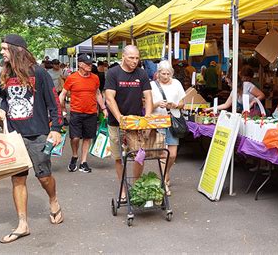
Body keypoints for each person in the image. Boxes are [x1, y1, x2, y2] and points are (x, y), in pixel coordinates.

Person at [0, 34, 64, 244]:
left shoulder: (39, 73)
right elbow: (6, 102)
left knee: (44, 177)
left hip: (38, 135)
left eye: (5, 49)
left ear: (16, 50)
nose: (2, 52)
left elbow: (54, 103)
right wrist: (1, 111)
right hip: (14, 136)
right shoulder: (4, 74)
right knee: (18, 179)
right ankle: (22, 224)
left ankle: (53, 200)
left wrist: (57, 128)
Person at [105, 45, 153, 200]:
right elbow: (109, 98)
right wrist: (120, 118)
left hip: (136, 123)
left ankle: (137, 184)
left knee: (139, 155)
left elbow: (148, 97)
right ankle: (123, 188)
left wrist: (148, 119)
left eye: (137, 58)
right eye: (132, 58)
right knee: (119, 157)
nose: (135, 61)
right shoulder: (113, 73)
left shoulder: (142, 73)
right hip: (116, 123)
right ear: (123, 57)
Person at [60, 53, 107, 173]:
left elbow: (98, 94)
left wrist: (104, 109)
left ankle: (83, 162)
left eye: (91, 64)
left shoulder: (95, 78)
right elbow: (63, 94)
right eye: (87, 64)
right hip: (76, 112)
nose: (90, 66)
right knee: (75, 138)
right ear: (80, 64)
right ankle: (75, 156)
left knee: (87, 137)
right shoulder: (72, 78)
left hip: (91, 113)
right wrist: (60, 109)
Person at [150, 61, 186, 196]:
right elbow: (147, 105)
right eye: (163, 73)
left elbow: (183, 103)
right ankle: (163, 182)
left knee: (173, 154)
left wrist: (174, 105)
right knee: (163, 154)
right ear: (158, 73)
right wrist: (157, 103)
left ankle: (167, 173)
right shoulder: (152, 85)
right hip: (158, 121)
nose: (165, 76)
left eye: (168, 74)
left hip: (173, 121)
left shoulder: (177, 83)